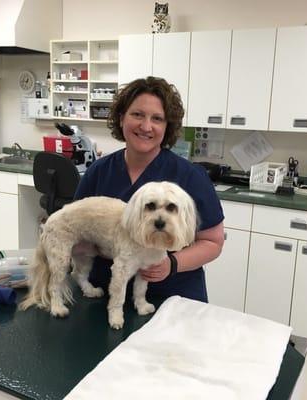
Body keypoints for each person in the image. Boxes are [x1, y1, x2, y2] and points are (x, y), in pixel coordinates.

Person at [73, 76, 224, 302]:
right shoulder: (99, 171)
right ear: (122, 117)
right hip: (106, 294)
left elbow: (213, 242)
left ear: (167, 127)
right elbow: (77, 226)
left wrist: (170, 264)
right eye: (137, 115)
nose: (146, 126)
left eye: (157, 118)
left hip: (172, 296)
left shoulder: (191, 177)